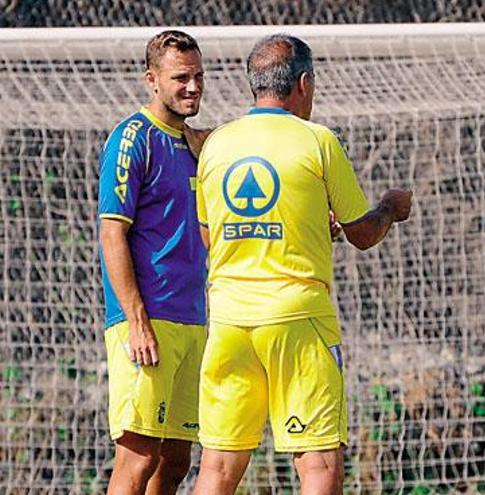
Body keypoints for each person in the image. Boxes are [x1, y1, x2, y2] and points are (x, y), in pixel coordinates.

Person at [191, 34, 412, 495]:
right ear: (304, 84)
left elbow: (212, 235)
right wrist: (391, 206)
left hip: (229, 323)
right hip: (297, 321)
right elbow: (363, 233)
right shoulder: (317, 140)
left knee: (216, 470)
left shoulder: (216, 145)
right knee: (317, 467)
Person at [97, 30, 207, 495]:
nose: (193, 87)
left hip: (193, 318)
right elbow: (111, 233)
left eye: (199, 76)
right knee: (138, 457)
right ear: (152, 80)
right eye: (181, 77)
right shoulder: (132, 138)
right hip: (148, 320)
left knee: (177, 459)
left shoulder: (200, 146)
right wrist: (137, 321)